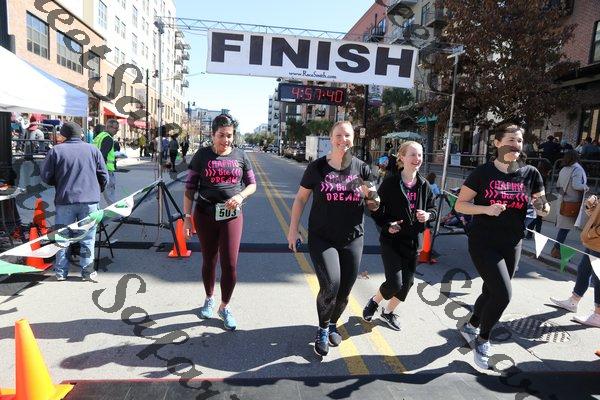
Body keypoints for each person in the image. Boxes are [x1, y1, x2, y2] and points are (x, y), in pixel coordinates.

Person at [454, 124, 549, 370]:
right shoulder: (482, 173)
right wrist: (486, 209)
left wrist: (542, 207)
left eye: (519, 141)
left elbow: (543, 205)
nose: (516, 145)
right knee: (503, 294)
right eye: (510, 140)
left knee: (491, 290)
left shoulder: (530, 173)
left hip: (513, 243)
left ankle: (471, 324)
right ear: (497, 143)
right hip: (483, 242)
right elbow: (460, 205)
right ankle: (483, 340)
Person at [287, 121, 375, 357]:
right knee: (331, 284)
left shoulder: (361, 169)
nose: (342, 139)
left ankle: (334, 322)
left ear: (353, 139)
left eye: (347, 135)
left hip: (353, 238)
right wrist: (293, 229)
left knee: (345, 289)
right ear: (331, 138)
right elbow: (301, 198)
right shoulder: (317, 168)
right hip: (323, 237)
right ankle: (323, 329)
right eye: (338, 135)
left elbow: (374, 205)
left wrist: (370, 196)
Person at [182, 114, 256, 331]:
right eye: (221, 135)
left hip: (232, 216)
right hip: (205, 214)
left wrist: (240, 196)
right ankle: (209, 298)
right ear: (213, 135)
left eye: (229, 135)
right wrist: (187, 218)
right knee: (209, 259)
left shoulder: (241, 156)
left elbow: (252, 185)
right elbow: (189, 189)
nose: (226, 140)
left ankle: (224, 306)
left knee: (230, 264)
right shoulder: (202, 155)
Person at [362, 141, 437, 331]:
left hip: (413, 242)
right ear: (402, 157)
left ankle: (388, 312)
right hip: (392, 241)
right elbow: (376, 211)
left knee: (407, 284)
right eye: (412, 154)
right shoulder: (390, 183)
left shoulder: (424, 185)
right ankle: (374, 301)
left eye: (420, 155)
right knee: (395, 283)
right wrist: (388, 225)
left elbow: (433, 209)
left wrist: (428, 215)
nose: (417, 158)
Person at [40, 122, 109, 281]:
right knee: (88, 238)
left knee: (62, 237)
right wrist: (97, 190)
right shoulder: (93, 150)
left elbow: (46, 176)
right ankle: (87, 272)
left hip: (65, 199)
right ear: (80, 134)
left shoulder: (56, 150)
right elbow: (104, 175)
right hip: (90, 200)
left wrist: (59, 182)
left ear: (64, 135)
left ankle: (60, 272)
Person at [550, 195, 600, 328]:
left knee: (598, 277)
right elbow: (595, 215)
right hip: (593, 240)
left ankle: (598, 315)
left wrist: (593, 232)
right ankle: (573, 301)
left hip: (596, 240)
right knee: (583, 269)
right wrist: (591, 207)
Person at [550, 150, 587, 259]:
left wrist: (564, 195)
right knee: (565, 229)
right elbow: (576, 185)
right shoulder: (577, 169)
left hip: (564, 201)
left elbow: (558, 186)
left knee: (564, 228)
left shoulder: (563, 169)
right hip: (572, 203)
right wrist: (585, 187)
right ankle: (556, 251)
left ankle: (555, 250)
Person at [93, 119, 118, 205]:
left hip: (96, 169)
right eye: (115, 128)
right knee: (110, 196)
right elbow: (103, 155)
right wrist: (103, 172)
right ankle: (115, 212)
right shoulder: (108, 139)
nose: (117, 131)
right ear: (108, 127)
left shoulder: (99, 136)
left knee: (95, 194)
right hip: (107, 170)